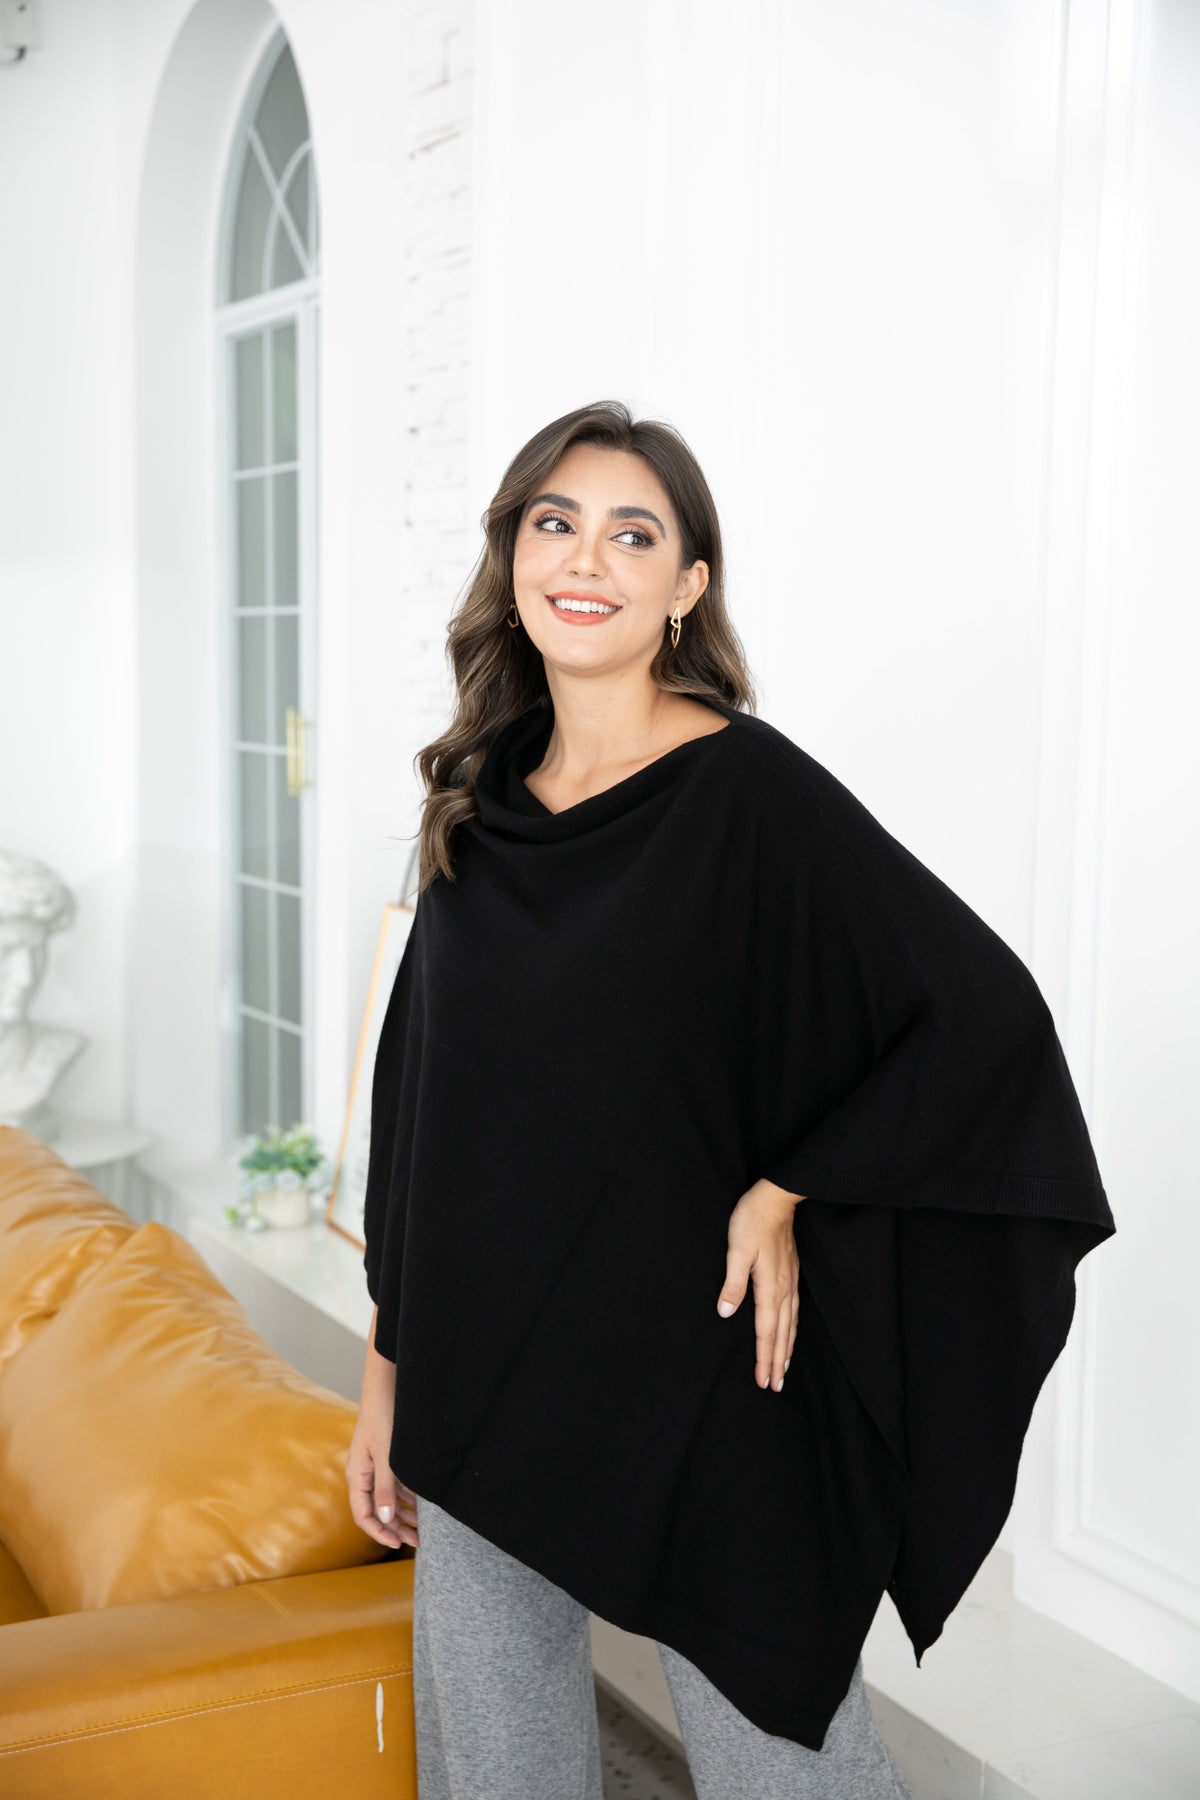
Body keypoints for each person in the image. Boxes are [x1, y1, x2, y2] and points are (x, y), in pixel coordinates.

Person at [346, 400, 1115, 1799]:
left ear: (687, 586)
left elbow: (979, 1016)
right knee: (498, 1763)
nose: (586, 559)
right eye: (555, 523)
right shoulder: (478, 798)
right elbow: (422, 1119)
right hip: (483, 1356)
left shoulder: (751, 794)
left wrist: (787, 1184)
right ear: (513, 557)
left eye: (633, 534)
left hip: (702, 1373)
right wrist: (386, 1379)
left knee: (783, 1751)